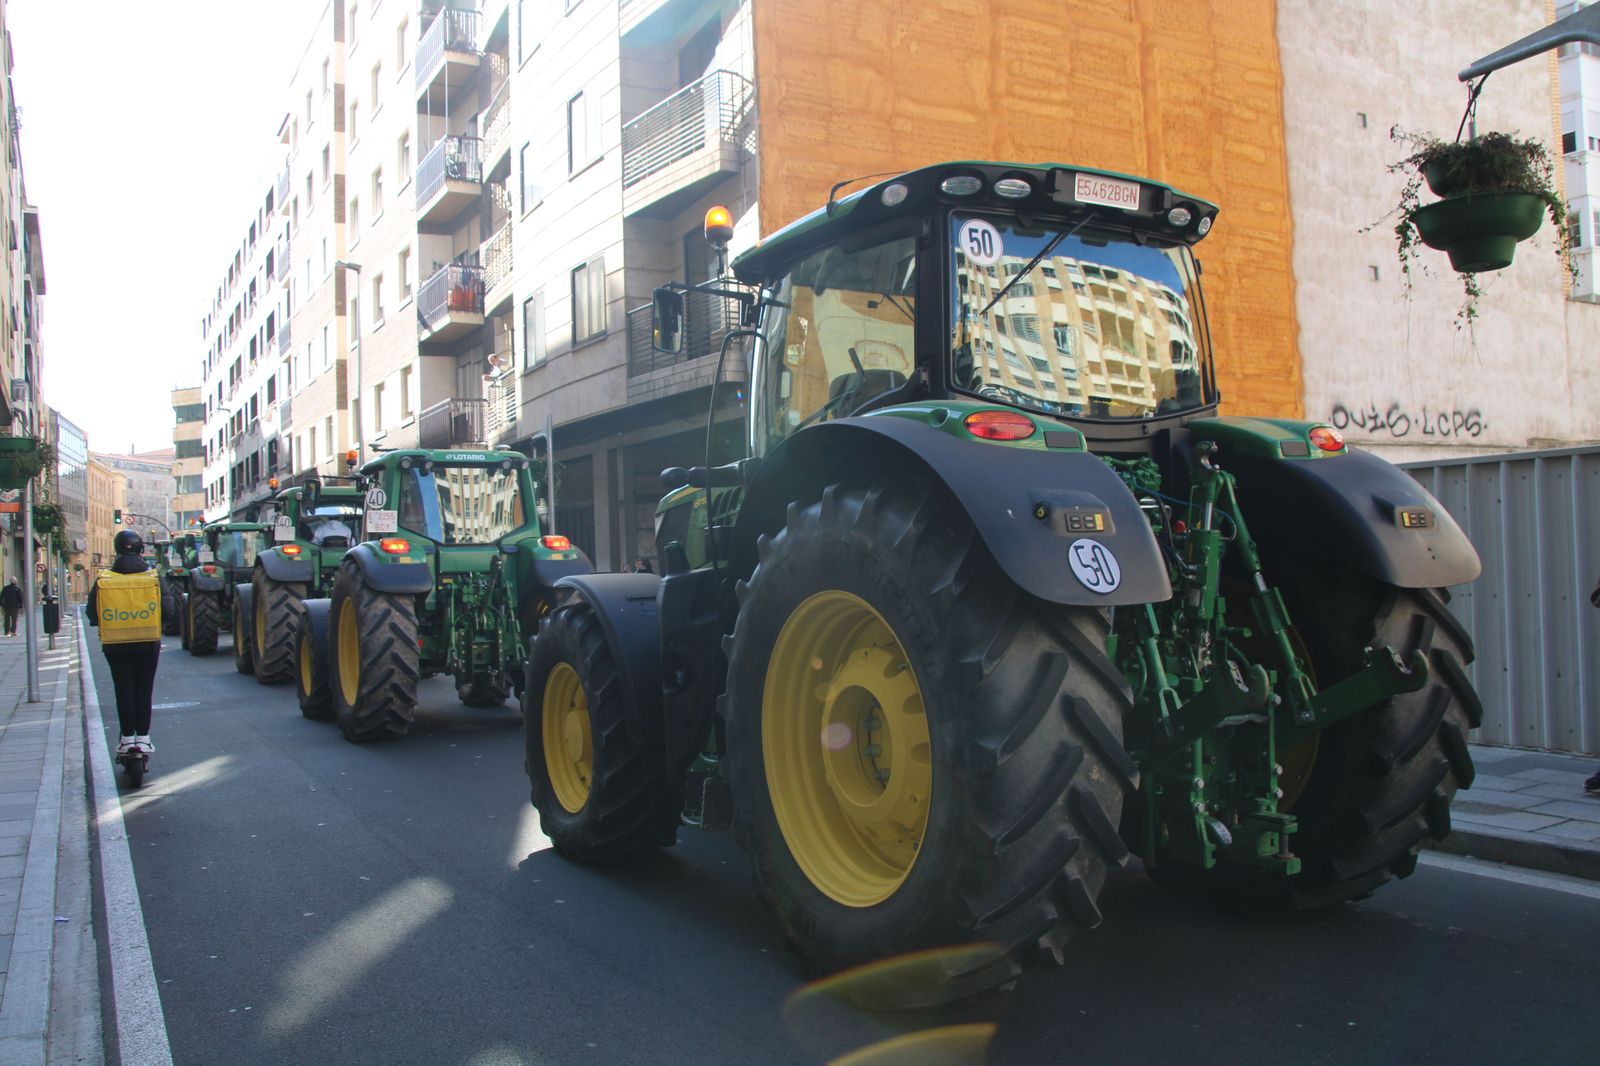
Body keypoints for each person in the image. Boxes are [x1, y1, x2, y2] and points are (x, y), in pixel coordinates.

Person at [87, 529, 161, 757]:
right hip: (148, 642)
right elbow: (168, 610)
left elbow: (92, 614)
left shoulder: (104, 579)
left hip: (115, 644)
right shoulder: (153, 578)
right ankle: (144, 738)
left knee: (124, 689)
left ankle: (127, 739)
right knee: (144, 690)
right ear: (141, 550)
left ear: (117, 550)